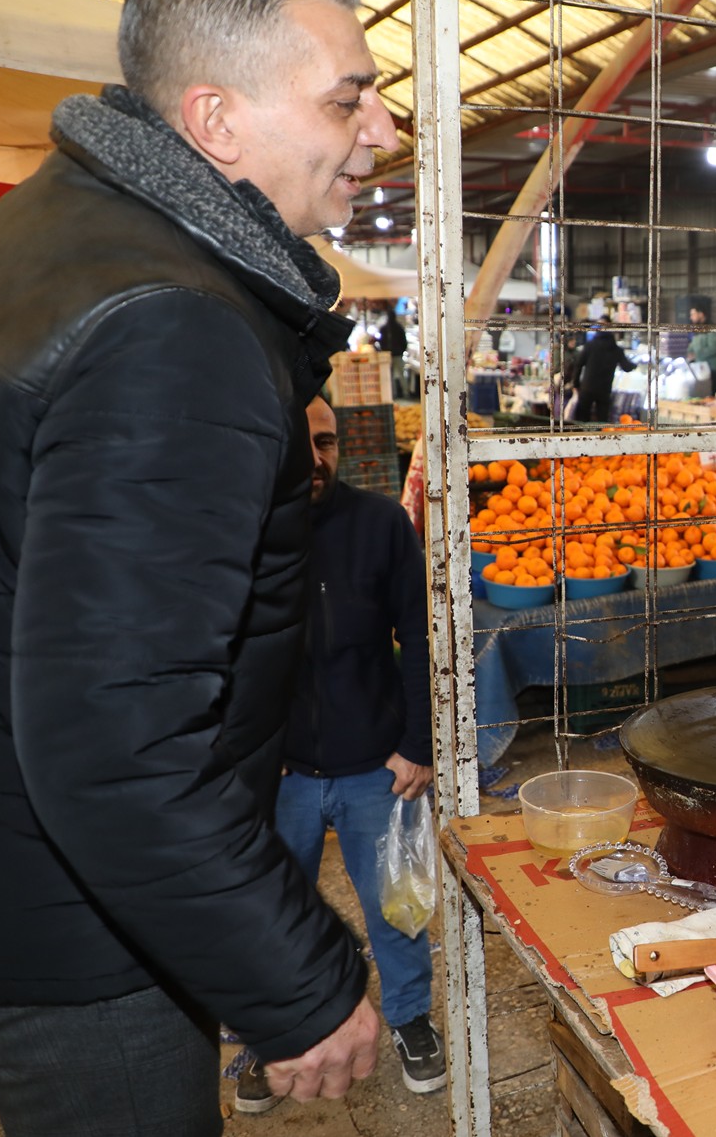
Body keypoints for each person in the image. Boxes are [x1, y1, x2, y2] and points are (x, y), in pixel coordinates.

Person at [0, 0, 396, 1133]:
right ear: (214, 119)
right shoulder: (175, 326)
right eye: (346, 98)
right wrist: (298, 983)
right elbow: (117, 744)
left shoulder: (45, 230)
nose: (380, 134)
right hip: (73, 929)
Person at [233, 397, 441, 1112]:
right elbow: (223, 654)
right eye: (301, 443)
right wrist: (250, 753)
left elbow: (418, 638)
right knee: (268, 911)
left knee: (397, 906)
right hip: (282, 772)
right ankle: (269, 1039)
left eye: (325, 442)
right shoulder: (246, 530)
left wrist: (417, 746)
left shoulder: (380, 524)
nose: (315, 457)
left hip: (374, 770)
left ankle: (411, 1018)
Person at [564, 321, 638, 423]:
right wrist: (635, 365)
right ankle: (602, 436)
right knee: (602, 420)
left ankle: (583, 436)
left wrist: (576, 383)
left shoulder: (590, 346)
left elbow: (578, 364)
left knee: (582, 418)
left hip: (587, 387)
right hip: (604, 390)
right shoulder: (616, 349)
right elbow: (626, 367)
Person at [685, 304, 716, 394]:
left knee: (712, 398)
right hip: (702, 370)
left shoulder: (712, 329)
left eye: (693, 314)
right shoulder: (697, 330)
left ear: (701, 314)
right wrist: (688, 352)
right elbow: (692, 345)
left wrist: (697, 355)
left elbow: (715, 348)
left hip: (715, 370)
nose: (691, 317)